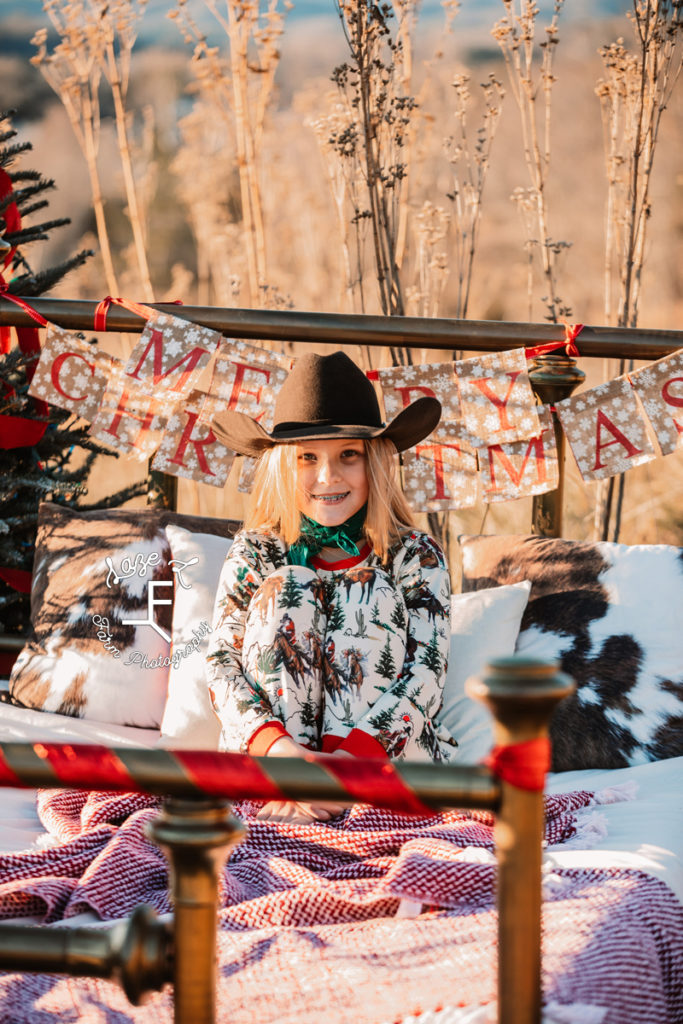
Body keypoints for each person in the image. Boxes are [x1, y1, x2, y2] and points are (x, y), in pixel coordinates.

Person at [206, 350, 454, 824]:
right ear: (282, 466)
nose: (328, 477)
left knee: (370, 588)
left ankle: (348, 804)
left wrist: (349, 766)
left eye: (348, 456)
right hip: (274, 768)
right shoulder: (256, 552)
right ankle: (293, 798)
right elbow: (221, 663)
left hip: (380, 768)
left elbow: (427, 672)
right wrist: (284, 758)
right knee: (290, 585)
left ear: (376, 462)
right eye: (307, 458)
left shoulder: (415, 555)